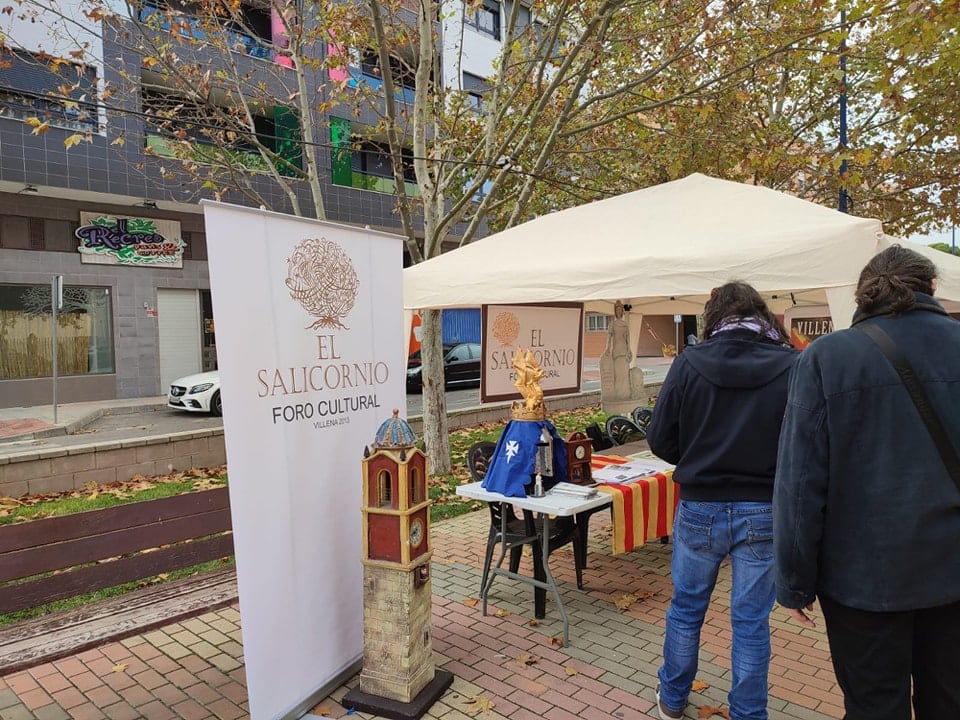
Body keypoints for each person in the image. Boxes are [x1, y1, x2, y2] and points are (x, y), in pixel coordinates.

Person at [773, 244, 960, 720]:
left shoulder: (827, 356)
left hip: (863, 580)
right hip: (952, 569)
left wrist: (795, 581)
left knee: (874, 707)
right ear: (932, 288)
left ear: (862, 295)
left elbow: (799, 484)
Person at [647, 281, 797, 720]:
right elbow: (803, 443)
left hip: (700, 505)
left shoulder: (690, 362)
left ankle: (673, 700)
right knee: (751, 621)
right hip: (764, 509)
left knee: (686, 608)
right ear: (761, 315)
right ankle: (749, 713)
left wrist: (695, 457)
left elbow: (660, 438)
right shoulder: (792, 364)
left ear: (715, 316)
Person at [601, 300, 632, 399]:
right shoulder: (612, 324)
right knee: (617, 375)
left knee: (625, 374)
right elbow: (609, 337)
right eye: (617, 310)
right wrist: (607, 349)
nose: (619, 312)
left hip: (624, 350)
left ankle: (626, 394)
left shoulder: (625, 324)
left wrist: (629, 350)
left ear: (623, 312)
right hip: (616, 351)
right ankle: (618, 395)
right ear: (615, 312)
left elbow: (628, 339)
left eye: (620, 310)